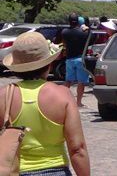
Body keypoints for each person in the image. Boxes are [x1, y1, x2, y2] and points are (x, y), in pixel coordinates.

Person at [0, 32, 90, 176]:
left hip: (15, 171)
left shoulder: (3, 95)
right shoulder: (62, 95)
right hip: (56, 169)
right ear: (48, 63)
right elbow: (77, 149)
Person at [61, 13, 90, 107]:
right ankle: (78, 102)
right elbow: (92, 38)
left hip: (69, 59)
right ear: (78, 21)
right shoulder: (84, 32)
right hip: (80, 59)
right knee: (81, 82)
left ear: (69, 21)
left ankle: (63, 100)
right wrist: (87, 28)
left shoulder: (64, 32)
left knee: (68, 81)